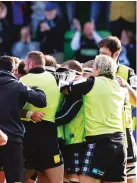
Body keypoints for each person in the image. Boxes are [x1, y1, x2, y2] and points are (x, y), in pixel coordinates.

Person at [0, 56, 47, 183]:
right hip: (12, 140)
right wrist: (35, 88)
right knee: (15, 180)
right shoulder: (18, 85)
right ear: (14, 69)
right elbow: (41, 100)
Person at [62, 55, 127, 183]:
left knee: (86, 180)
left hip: (100, 142)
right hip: (120, 143)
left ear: (97, 69)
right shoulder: (120, 87)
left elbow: (66, 90)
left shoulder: (91, 83)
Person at [20, 51, 63, 183]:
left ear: (30, 64)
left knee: (18, 178)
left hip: (28, 133)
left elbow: (13, 108)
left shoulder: (22, 81)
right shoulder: (56, 79)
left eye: (25, 64)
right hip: (49, 133)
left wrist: (29, 114)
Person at [98, 36, 137, 182]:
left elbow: (136, 101)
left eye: (105, 54)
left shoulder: (128, 72)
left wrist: (125, 85)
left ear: (116, 54)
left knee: (129, 178)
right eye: (99, 53)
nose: (101, 58)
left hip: (124, 131)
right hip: (98, 130)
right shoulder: (93, 69)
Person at [55, 60, 85, 183]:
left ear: (75, 74)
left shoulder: (77, 91)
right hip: (68, 139)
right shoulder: (69, 90)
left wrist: (45, 121)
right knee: (67, 176)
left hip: (76, 140)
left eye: (64, 72)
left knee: (74, 176)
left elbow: (66, 115)